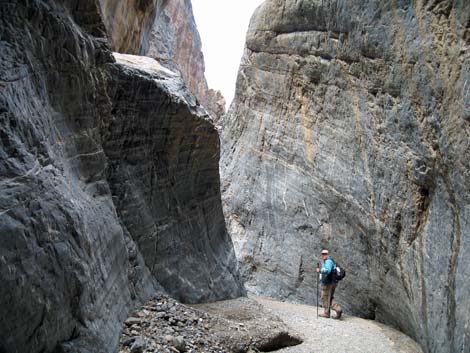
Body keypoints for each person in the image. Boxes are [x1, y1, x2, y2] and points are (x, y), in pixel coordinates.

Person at [316, 249, 342, 319]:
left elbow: (328, 270)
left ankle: (328, 312)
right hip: (330, 282)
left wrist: (320, 270)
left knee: (325, 296)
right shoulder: (328, 261)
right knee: (327, 297)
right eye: (322, 254)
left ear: (327, 254)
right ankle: (336, 309)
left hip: (329, 283)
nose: (323, 255)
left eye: (325, 254)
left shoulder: (328, 261)